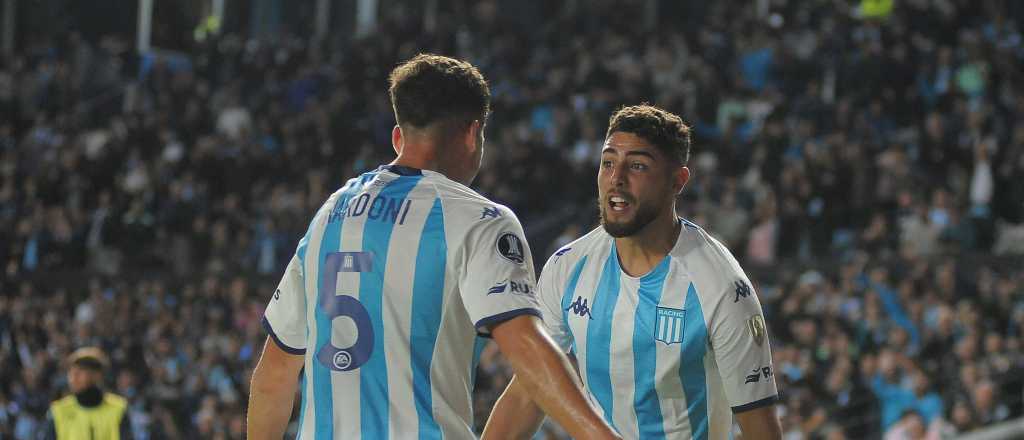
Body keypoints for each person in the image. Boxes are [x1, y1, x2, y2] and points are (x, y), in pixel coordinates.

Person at [246, 54, 618, 440]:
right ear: (473, 133)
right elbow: (527, 352)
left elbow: (273, 376)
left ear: (398, 137)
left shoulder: (330, 214)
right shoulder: (479, 220)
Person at [483, 105, 782, 439]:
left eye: (637, 166)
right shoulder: (568, 267)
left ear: (678, 181)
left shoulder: (720, 287)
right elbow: (530, 389)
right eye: (608, 162)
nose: (617, 178)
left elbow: (762, 431)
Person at [41, 347, 131, 439]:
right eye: (71, 372)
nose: (73, 378)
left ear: (97, 375)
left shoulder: (118, 409)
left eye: (80, 372)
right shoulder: (58, 411)